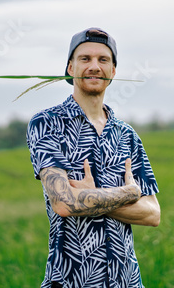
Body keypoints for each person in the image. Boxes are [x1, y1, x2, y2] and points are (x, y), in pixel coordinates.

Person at [27, 27, 160, 288]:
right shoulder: (46, 124)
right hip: (69, 280)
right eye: (85, 59)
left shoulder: (127, 135)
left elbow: (152, 214)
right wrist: (129, 193)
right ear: (69, 68)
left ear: (113, 71)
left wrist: (91, 196)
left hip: (128, 282)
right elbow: (65, 203)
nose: (94, 66)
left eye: (103, 60)